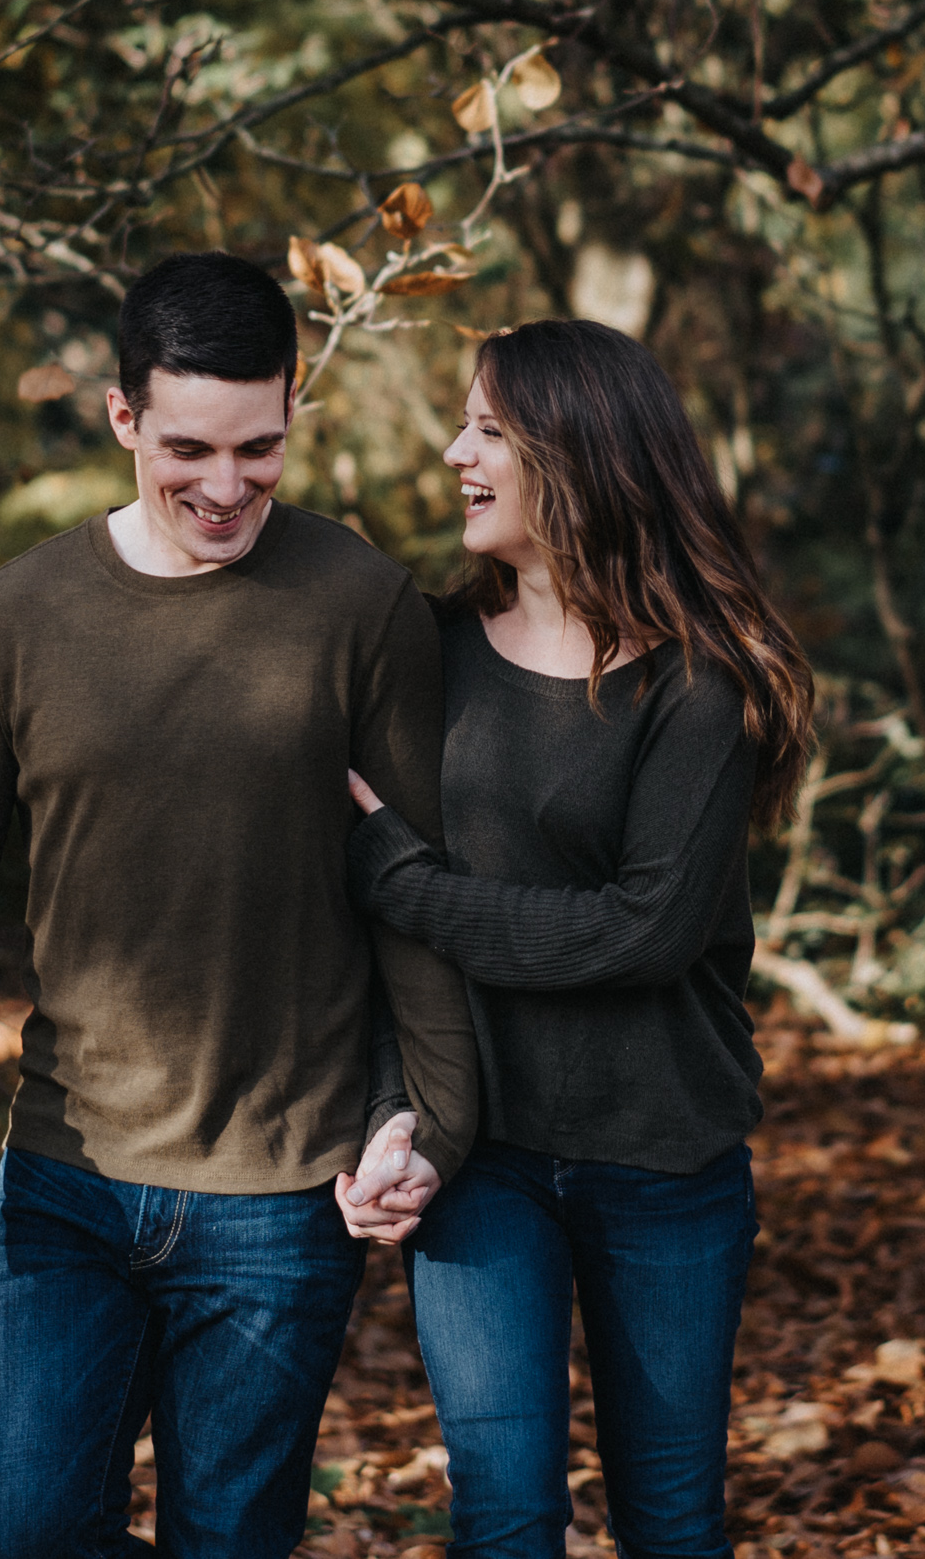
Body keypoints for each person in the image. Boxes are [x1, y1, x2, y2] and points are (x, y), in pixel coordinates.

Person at [0, 250, 479, 1559]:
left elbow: (417, 891)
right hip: (66, 1177)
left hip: (283, 1191)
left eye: (258, 447)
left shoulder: (362, 607)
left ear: (292, 406)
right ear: (123, 416)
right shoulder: (15, 616)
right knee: (30, 1538)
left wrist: (419, 1111)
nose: (225, 485)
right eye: (188, 449)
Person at [343, 319, 816, 1559]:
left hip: (663, 1160)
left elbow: (640, 930)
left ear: (579, 455)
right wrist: (395, 1111)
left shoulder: (698, 685)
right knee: (503, 1518)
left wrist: (408, 884)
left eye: (487, 430)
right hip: (481, 1154)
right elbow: (387, 947)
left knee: (669, 1522)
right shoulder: (429, 651)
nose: (455, 453)